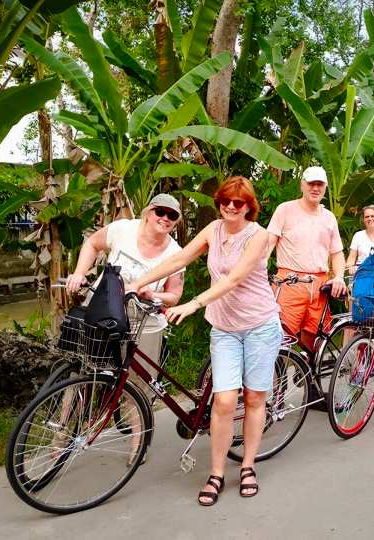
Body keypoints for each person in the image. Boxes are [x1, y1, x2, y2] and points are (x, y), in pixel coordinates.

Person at [129, 177, 281, 507]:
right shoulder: (213, 230)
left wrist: (194, 303)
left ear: (248, 207)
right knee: (224, 401)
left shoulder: (258, 236)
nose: (230, 206)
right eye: (225, 200)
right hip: (224, 328)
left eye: (237, 203)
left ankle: (248, 466)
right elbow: (181, 258)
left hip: (259, 326)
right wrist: (139, 280)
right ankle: (216, 472)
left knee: (254, 398)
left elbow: (235, 278)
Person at [66, 193, 185, 397]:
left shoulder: (176, 253)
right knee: (82, 372)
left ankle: (139, 426)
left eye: (172, 216)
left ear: (175, 223)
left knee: (138, 387)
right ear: (148, 212)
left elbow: (174, 296)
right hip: (104, 309)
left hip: (143, 320)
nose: (165, 218)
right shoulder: (124, 229)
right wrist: (79, 273)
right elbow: (92, 243)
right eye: (160, 211)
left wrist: (152, 293)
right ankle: (63, 425)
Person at [267, 166, 347, 355]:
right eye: (311, 183)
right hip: (288, 284)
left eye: (319, 184)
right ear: (302, 185)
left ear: (325, 187)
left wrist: (339, 277)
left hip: (319, 286)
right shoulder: (285, 210)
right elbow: (267, 245)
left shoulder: (329, 218)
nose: (315, 188)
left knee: (313, 342)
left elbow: (336, 253)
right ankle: (274, 383)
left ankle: (310, 376)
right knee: (278, 340)